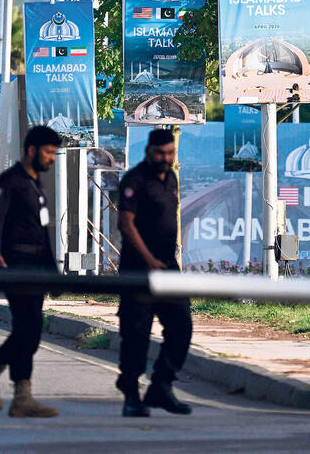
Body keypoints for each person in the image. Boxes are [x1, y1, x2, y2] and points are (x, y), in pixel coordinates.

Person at [0, 125, 61, 418]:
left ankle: (22, 396)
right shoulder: (10, 180)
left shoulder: (37, 184)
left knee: (29, 330)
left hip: (36, 269)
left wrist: (53, 271)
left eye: (54, 153)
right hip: (15, 265)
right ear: (31, 150)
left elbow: (43, 231)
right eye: (48, 152)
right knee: (29, 328)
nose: (52, 158)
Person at [115, 128, 193, 417]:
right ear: (149, 150)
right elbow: (126, 224)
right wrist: (148, 259)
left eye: (170, 153)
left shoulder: (171, 178)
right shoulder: (134, 180)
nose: (166, 158)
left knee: (181, 325)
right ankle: (131, 395)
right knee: (136, 333)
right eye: (161, 153)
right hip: (138, 268)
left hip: (167, 267)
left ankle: (161, 386)